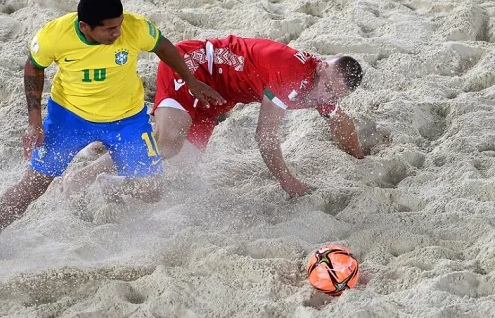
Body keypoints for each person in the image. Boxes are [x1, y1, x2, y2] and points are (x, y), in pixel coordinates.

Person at [0, 0, 225, 237]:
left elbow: (163, 46)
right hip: (70, 118)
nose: (118, 33)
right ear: (85, 26)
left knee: (152, 190)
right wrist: (34, 121)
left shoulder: (134, 27)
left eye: (119, 25)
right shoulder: (54, 35)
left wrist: (191, 81)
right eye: (110, 29)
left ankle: (104, 183)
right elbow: (34, 67)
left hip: (126, 119)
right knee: (32, 186)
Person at [64, 35, 365, 198]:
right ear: (322, 66)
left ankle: (113, 166)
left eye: (336, 94)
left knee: (185, 164)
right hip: (192, 66)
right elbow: (265, 136)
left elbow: (340, 120)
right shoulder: (289, 74)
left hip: (216, 101)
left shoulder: (324, 89)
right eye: (327, 87)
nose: (328, 96)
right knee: (167, 144)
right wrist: (288, 181)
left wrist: (360, 159)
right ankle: (80, 178)